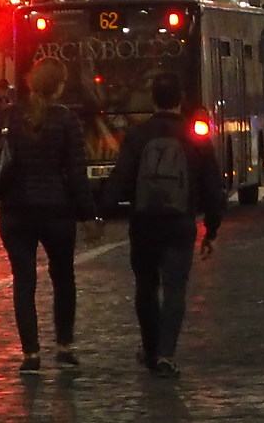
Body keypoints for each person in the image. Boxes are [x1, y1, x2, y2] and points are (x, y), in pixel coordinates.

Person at [102, 73, 227, 378]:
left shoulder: (138, 134)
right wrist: (211, 230)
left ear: (153, 99)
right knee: (174, 289)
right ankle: (166, 354)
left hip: (144, 223)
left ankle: (149, 348)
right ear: (180, 99)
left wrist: (99, 214)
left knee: (145, 287)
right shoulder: (192, 136)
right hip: (179, 223)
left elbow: (120, 178)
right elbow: (213, 185)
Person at [0, 58, 97, 374]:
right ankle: (64, 347)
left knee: (24, 281)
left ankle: (31, 354)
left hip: (16, 210)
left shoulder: (10, 116)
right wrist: (89, 214)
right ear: (59, 85)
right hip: (56, 210)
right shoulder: (65, 120)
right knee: (63, 278)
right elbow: (76, 173)